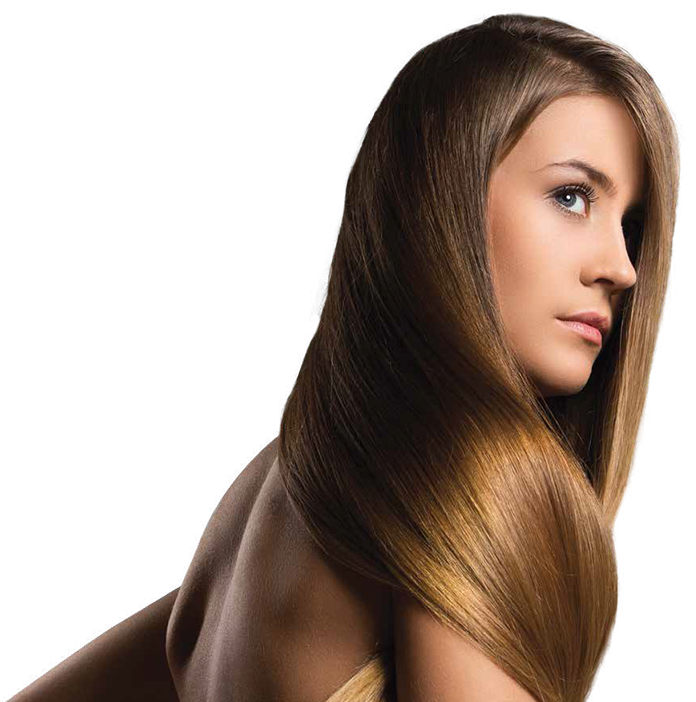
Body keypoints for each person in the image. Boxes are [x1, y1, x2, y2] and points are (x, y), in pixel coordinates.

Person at [8, 11, 682, 702]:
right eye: (571, 196)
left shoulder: (276, 490)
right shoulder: (470, 478)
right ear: (438, 197)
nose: (622, 268)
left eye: (629, 225)